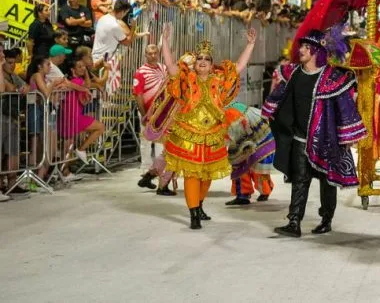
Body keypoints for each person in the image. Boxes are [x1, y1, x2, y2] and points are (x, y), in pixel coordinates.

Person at [263, 25, 367, 238]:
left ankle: (326, 218)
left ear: (316, 51)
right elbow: (281, 94)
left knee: (328, 181)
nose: (300, 49)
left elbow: (345, 107)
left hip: (325, 139)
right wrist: (270, 110)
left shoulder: (333, 78)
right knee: (300, 180)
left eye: (305, 46)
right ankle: (294, 222)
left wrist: (347, 137)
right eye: (301, 45)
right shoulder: (294, 73)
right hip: (300, 138)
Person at [150, 23, 257, 229]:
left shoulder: (219, 79)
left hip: (213, 135)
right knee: (192, 174)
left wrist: (250, 45)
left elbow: (239, 67)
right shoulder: (187, 79)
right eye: (199, 58)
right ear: (194, 63)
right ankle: (193, 215)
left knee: (206, 175)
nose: (202, 62)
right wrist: (165, 41)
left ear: (211, 64)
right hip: (189, 134)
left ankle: (198, 205)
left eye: (207, 59)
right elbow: (171, 65)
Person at [133, 44, 173, 195]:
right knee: (145, 141)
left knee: (161, 145)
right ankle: (145, 171)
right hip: (148, 113)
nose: (153, 56)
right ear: (145, 55)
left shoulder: (163, 68)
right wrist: (144, 114)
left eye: (155, 53)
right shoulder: (140, 72)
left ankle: (152, 175)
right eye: (150, 53)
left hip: (162, 114)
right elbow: (138, 94)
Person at [225, 102, 276, 206]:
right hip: (243, 128)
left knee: (256, 160)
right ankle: (243, 193)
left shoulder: (226, 110)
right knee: (239, 161)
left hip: (255, 131)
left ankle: (264, 190)